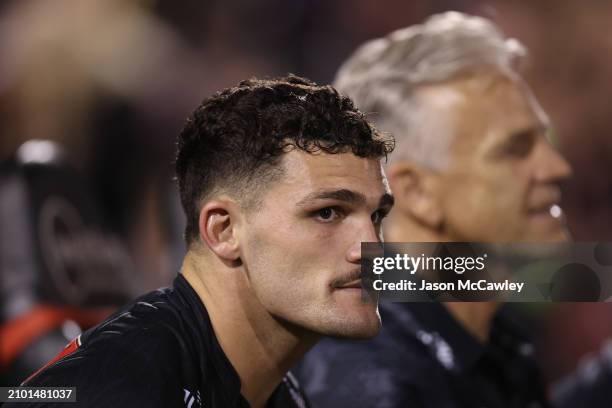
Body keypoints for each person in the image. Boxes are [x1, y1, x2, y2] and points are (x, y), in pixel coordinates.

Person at [6, 75, 394, 407]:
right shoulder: (128, 384)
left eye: (377, 216)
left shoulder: (275, 390)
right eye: (327, 212)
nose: (370, 246)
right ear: (224, 231)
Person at [297, 11, 572, 408]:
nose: (556, 167)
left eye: (545, 141)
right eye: (515, 149)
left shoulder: (481, 336)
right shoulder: (373, 384)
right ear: (416, 191)